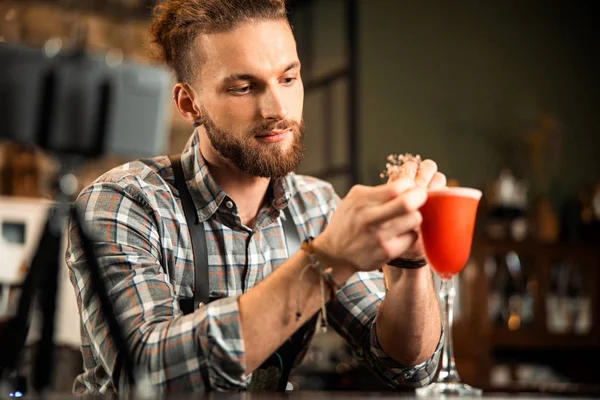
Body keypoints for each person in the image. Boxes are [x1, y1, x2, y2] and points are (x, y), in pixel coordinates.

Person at [66, 0, 446, 394]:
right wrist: (325, 262)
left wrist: (411, 262)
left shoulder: (317, 206)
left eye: (288, 79)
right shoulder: (122, 203)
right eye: (244, 87)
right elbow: (146, 376)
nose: (277, 109)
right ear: (188, 103)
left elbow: (407, 367)